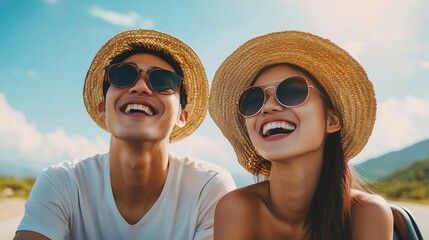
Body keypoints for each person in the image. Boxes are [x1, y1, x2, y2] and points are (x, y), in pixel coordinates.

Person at [14, 29, 236, 240]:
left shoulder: (208, 187)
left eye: (163, 81)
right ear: (103, 108)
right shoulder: (61, 182)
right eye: (122, 76)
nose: (140, 87)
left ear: (181, 117)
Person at [209, 31, 393, 239]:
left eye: (292, 91)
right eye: (253, 100)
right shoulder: (236, 208)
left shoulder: (368, 213)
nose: (268, 107)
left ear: (331, 120)